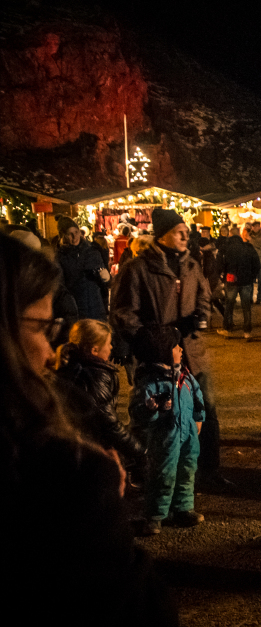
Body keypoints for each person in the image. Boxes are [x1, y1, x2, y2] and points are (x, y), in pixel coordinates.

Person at [0, 233, 178, 625]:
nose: (49, 354)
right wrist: (105, 499)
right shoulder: (57, 471)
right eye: (41, 329)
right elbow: (135, 608)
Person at [110, 208, 227, 491]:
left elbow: (204, 296)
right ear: (163, 235)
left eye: (186, 231)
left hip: (193, 353)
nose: (187, 236)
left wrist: (200, 317)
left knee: (205, 411)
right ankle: (148, 473)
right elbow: (123, 312)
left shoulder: (191, 265)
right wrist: (153, 338)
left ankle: (208, 471)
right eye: (179, 231)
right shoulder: (137, 269)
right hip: (157, 357)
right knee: (153, 413)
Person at [129, 331, 205, 536]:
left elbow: (198, 396)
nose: (180, 349)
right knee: (163, 473)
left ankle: (183, 508)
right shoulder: (150, 383)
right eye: (175, 347)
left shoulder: (185, 376)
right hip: (165, 437)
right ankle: (155, 515)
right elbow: (138, 414)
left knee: (187, 469)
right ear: (162, 353)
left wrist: (199, 417)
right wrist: (151, 410)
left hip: (188, 433)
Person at [53, 318, 145, 477]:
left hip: (74, 447)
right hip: (91, 449)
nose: (111, 347)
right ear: (94, 350)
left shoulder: (68, 366)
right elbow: (109, 424)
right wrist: (139, 451)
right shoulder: (96, 376)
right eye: (108, 344)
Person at [55, 216, 109, 321]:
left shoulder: (92, 252)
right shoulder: (59, 257)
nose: (74, 236)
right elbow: (59, 286)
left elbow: (103, 285)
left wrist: (107, 278)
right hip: (75, 311)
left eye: (76, 232)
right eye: (69, 234)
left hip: (96, 308)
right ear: (63, 236)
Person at [218, 226, 261, 339]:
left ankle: (227, 329)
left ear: (230, 235)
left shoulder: (226, 247)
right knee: (246, 307)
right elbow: (257, 264)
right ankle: (247, 332)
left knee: (229, 306)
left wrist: (223, 276)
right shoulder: (248, 247)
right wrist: (252, 276)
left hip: (231, 280)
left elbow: (220, 264)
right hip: (246, 280)